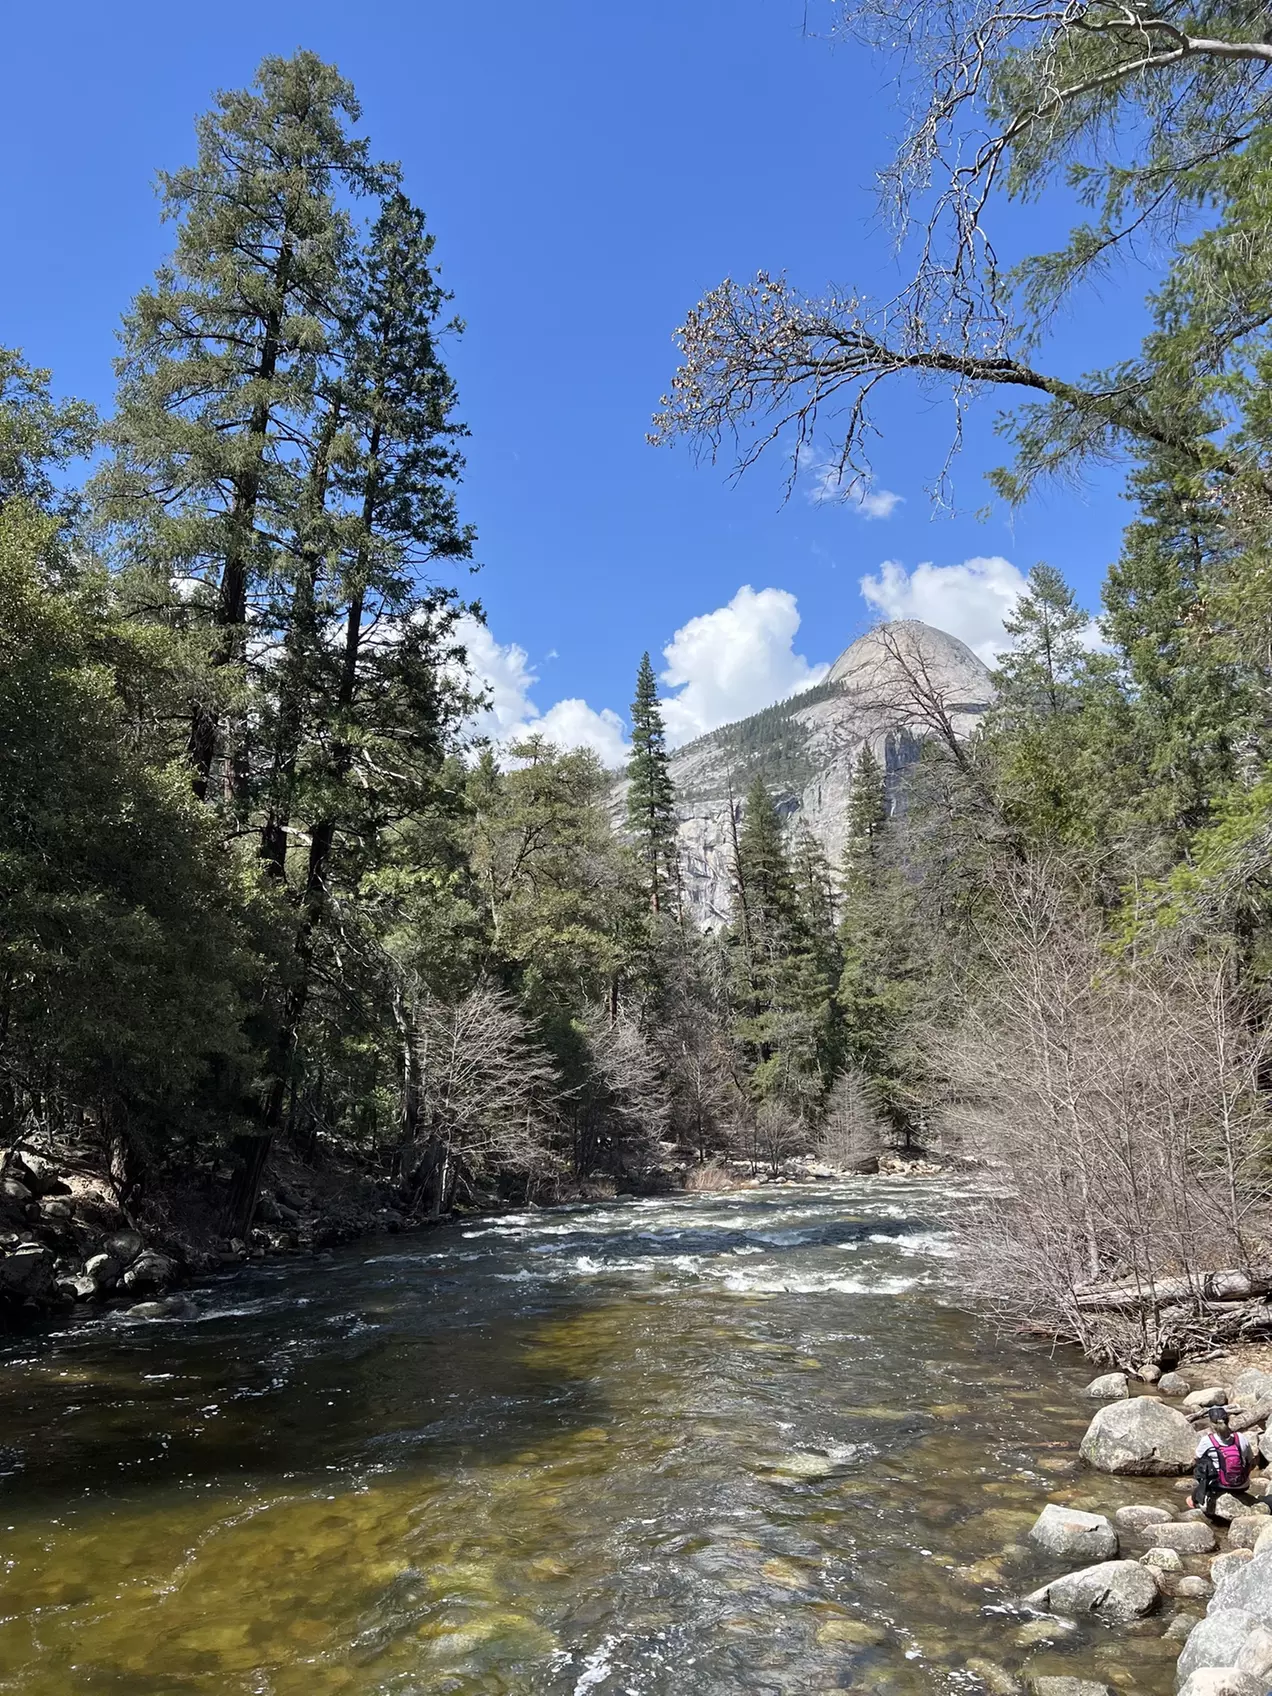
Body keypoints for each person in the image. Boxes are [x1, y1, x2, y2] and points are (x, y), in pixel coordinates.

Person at [1188, 1405, 1258, 1515]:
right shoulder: (1240, 1437)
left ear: (1211, 1424)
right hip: (1242, 1486)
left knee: (1195, 1489)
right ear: (1228, 1420)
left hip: (1218, 1487)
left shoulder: (1207, 1440)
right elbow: (1252, 1462)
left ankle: (1195, 1503)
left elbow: (1196, 1458)